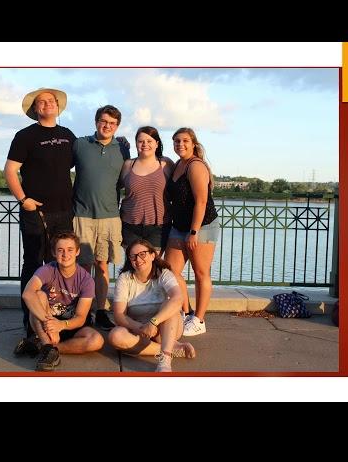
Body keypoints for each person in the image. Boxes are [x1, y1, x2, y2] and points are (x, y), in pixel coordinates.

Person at [4, 88, 76, 336]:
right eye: (41, 102)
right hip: (36, 213)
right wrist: (23, 199)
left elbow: (83, 161)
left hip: (64, 212)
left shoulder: (67, 135)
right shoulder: (25, 136)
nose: (47, 104)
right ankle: (31, 322)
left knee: (61, 265)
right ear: (35, 109)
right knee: (34, 263)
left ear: (58, 106)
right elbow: (10, 170)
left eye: (51, 101)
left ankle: (58, 318)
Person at [72, 105, 130, 330]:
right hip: (82, 215)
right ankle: (83, 311)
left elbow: (127, 178)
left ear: (117, 126)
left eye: (112, 123)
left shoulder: (122, 148)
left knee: (103, 266)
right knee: (84, 266)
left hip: (109, 216)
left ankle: (101, 310)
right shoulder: (80, 144)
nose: (107, 126)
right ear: (96, 122)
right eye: (104, 121)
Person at [17, 231, 104, 372]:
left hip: (70, 324)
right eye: (60, 250)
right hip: (44, 322)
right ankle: (47, 345)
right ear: (53, 253)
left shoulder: (86, 279)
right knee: (38, 295)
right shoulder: (47, 270)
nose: (65, 254)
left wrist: (61, 325)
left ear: (77, 252)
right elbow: (27, 294)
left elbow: (81, 318)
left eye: (70, 250)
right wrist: (50, 325)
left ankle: (46, 348)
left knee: (96, 341)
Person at [108, 239, 196, 372]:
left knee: (169, 305)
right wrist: (142, 327)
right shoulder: (125, 279)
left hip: (166, 327)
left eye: (142, 254)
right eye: (133, 256)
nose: (138, 259)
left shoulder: (164, 273)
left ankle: (165, 361)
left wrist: (153, 322)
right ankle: (173, 348)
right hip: (140, 329)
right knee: (115, 336)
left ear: (152, 255)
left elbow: (178, 298)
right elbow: (119, 315)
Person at [164, 128, 219, 337]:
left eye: (185, 140)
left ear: (193, 143)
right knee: (170, 271)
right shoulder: (178, 164)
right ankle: (186, 313)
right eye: (177, 141)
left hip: (201, 226)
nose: (181, 144)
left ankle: (199, 320)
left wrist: (194, 232)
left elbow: (201, 201)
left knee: (200, 272)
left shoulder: (195, 166)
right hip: (179, 226)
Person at [119, 126, 174, 253]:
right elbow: (115, 187)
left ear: (157, 144)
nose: (145, 144)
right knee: (133, 263)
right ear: (136, 144)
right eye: (140, 141)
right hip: (130, 226)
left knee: (155, 263)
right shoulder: (128, 165)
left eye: (149, 141)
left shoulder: (166, 164)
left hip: (158, 227)